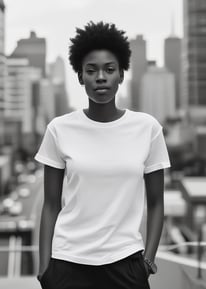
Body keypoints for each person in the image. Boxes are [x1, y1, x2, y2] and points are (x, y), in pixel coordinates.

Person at [34, 21, 171, 289]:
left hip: (126, 264)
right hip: (67, 264)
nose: (100, 77)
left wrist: (148, 262)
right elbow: (50, 205)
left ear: (121, 75)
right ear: (79, 76)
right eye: (91, 70)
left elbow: (156, 203)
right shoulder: (59, 129)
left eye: (109, 69)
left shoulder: (148, 129)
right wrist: (44, 269)